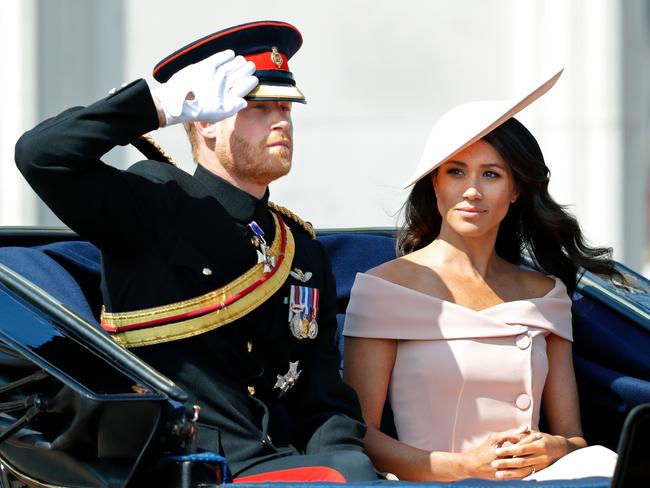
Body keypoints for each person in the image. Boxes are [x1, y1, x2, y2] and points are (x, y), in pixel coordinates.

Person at [15, 21, 376, 483]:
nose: (281, 120)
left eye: (286, 107)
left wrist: (344, 465)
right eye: (258, 108)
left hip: (279, 466)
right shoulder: (156, 202)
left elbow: (322, 397)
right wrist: (156, 106)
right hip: (182, 465)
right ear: (205, 119)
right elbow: (42, 155)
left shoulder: (300, 250)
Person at [343, 69, 619, 482]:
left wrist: (556, 447)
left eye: (491, 174)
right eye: (456, 171)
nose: (472, 190)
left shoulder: (547, 294)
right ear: (434, 183)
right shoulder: (384, 288)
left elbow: (572, 437)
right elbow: (359, 435)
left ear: (515, 189)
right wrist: (464, 467)